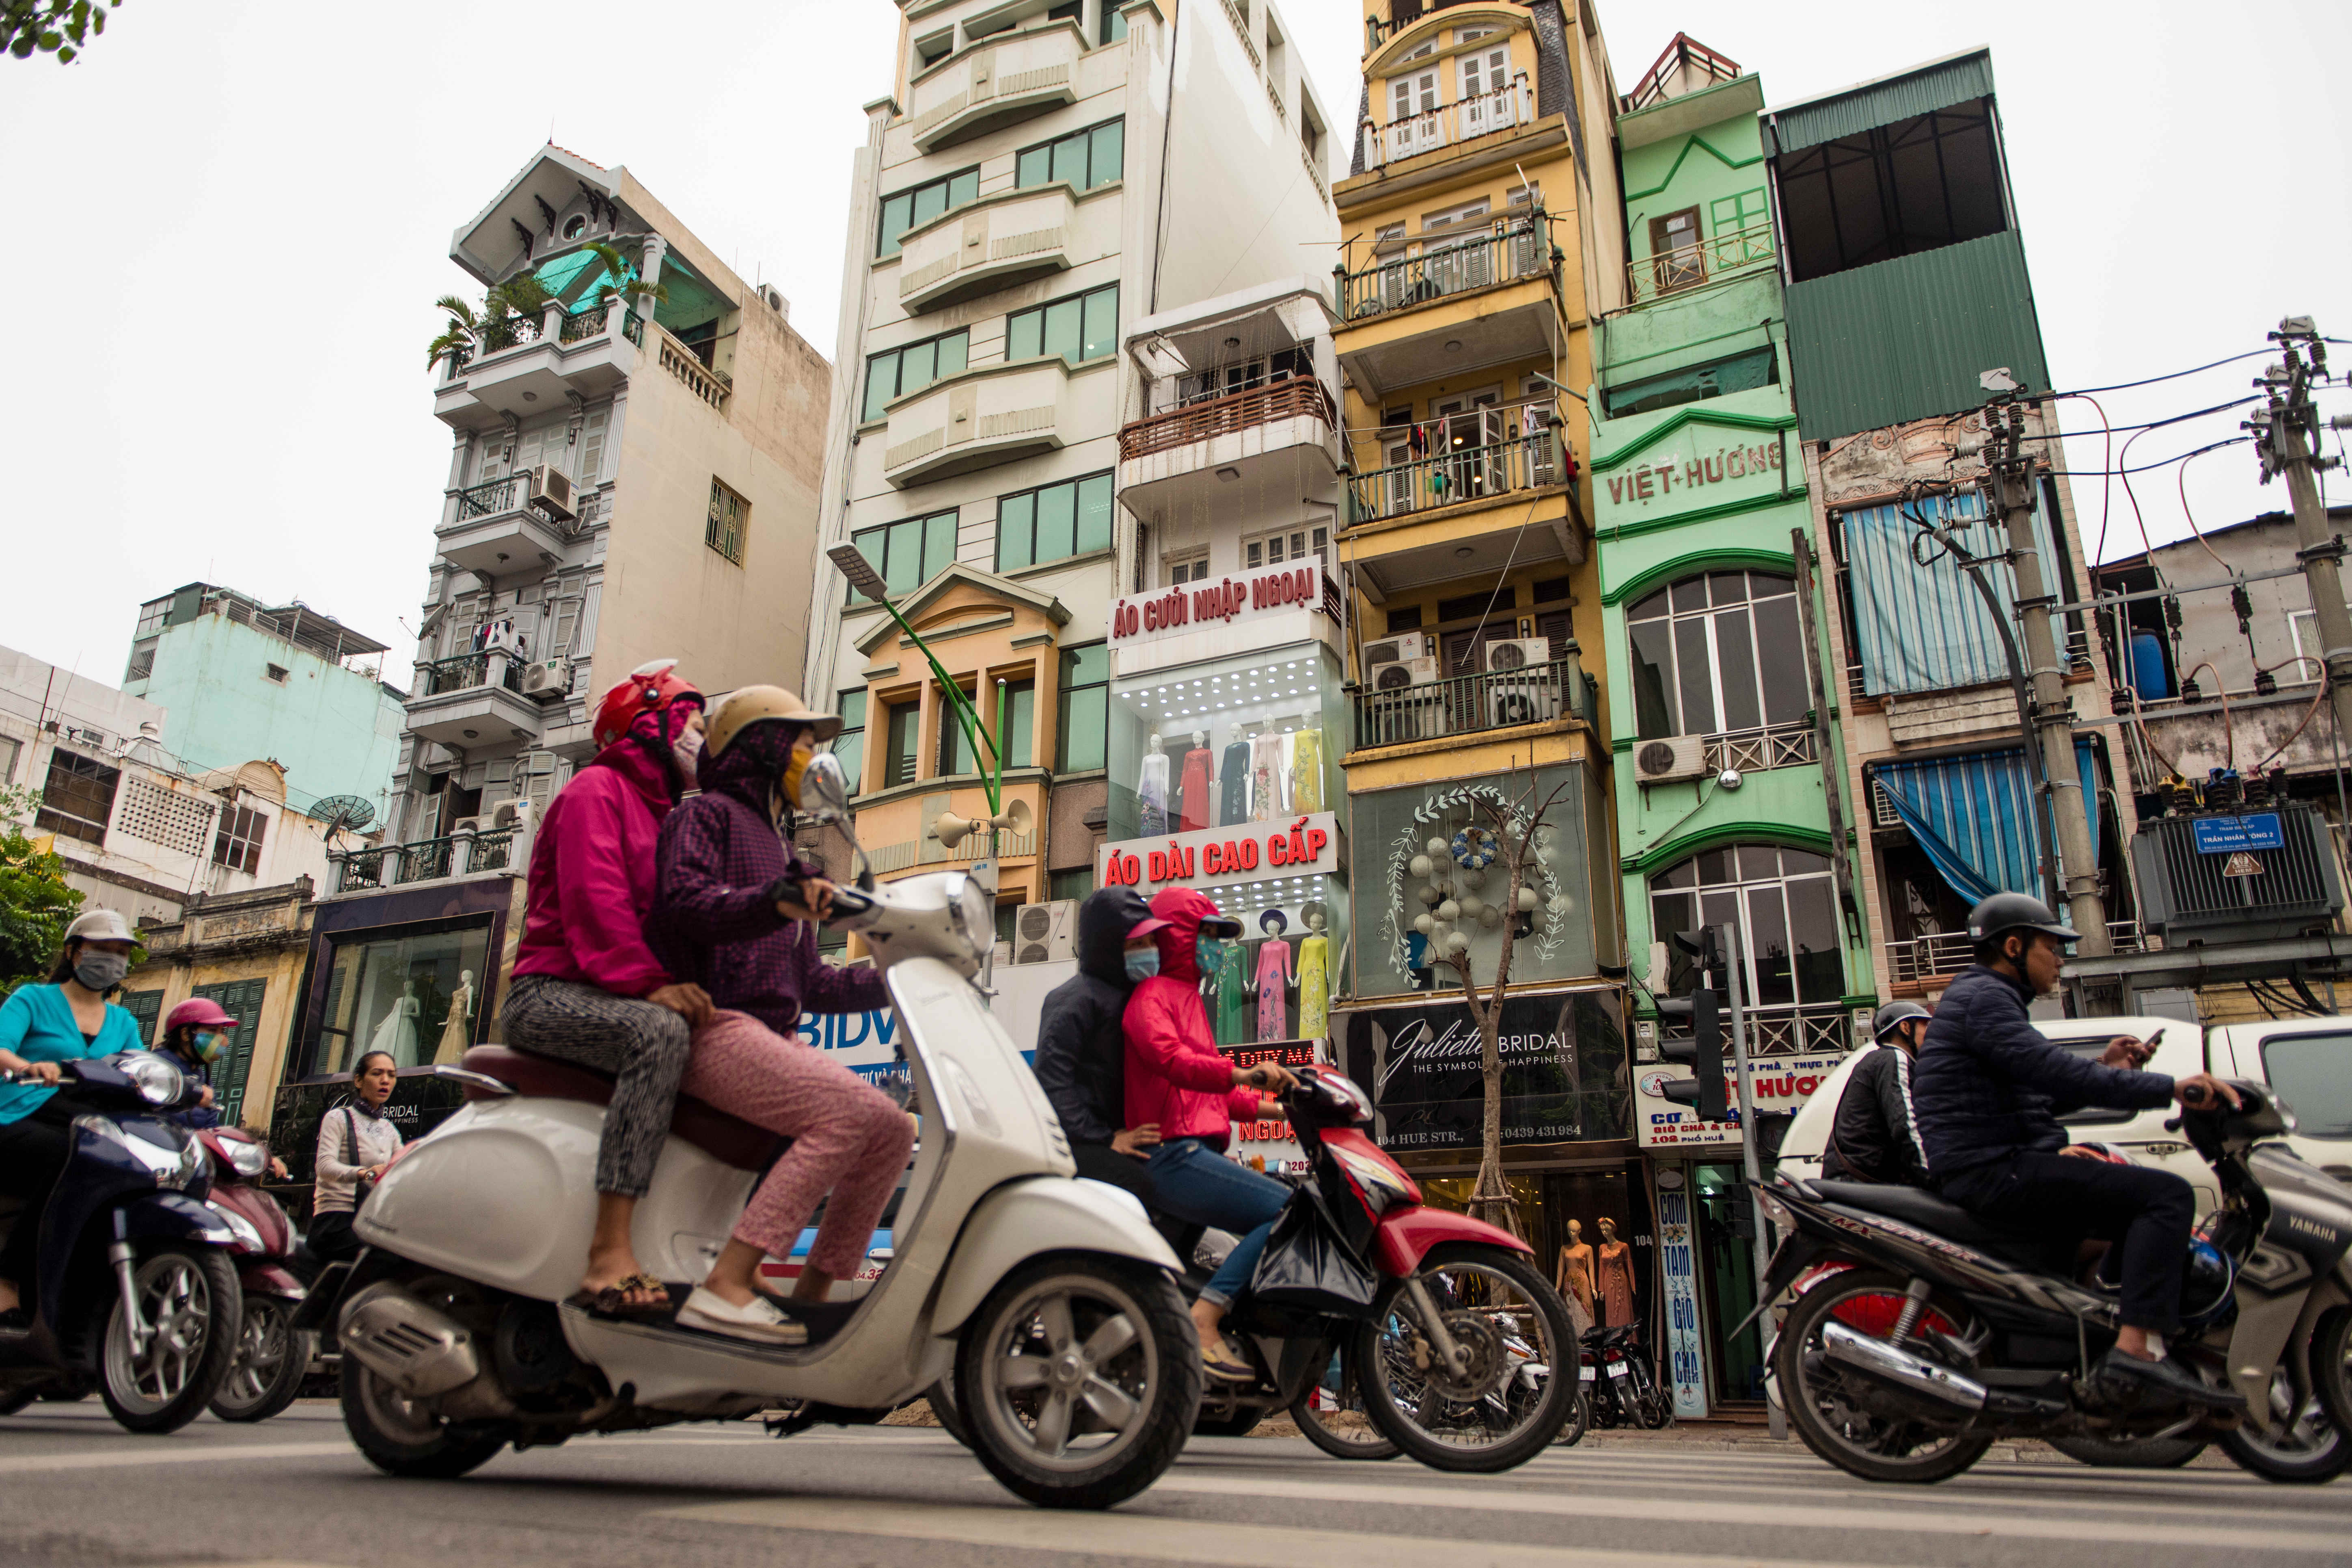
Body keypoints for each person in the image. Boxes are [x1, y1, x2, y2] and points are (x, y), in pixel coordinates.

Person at [649, 685, 915, 1346]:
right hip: (714, 1024)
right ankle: (729, 1281)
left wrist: (896, 973)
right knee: (850, 1112)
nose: (814, 761)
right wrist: (777, 900)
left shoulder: (784, 848)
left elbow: (813, 983)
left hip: (770, 1035)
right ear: (760, 745)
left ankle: (815, 1296)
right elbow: (686, 902)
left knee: (890, 1127)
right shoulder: (701, 815)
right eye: (802, 745)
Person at [1912, 892, 2243, 1408]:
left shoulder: (1987, 1000)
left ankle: (2086, 1359)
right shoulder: (1984, 1000)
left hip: (2004, 1163)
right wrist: (2173, 1087)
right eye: (2052, 946)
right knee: (2167, 1196)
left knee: (2120, 1227)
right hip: (1997, 1171)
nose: (2060, 958)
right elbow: (2056, 1071)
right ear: (2014, 946)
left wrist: (2110, 1069)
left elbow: (2041, 1095)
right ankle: (2137, 1353)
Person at [501, 658, 717, 1316]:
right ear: (651, 726)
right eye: (692, 722)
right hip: (549, 993)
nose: (701, 737)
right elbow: (596, 905)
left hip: (613, 988)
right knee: (658, 1033)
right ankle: (608, 1251)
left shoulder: (664, 816)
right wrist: (652, 987)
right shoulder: (594, 792)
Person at [1123, 888, 1296, 1381]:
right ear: (1180, 936)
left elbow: (1211, 1094)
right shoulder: (1151, 997)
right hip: (1173, 1155)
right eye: (1211, 933)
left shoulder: (1190, 1000)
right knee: (1290, 1212)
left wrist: (1285, 1111)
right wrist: (1242, 1075)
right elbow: (1175, 1064)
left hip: (1192, 1150)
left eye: (1222, 935)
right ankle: (1206, 1318)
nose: (1219, 945)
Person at [0, 910, 150, 1329]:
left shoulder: (123, 1021)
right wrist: (30, 1067)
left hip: (87, 1124)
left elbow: (139, 1070)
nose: (114, 959)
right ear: (74, 951)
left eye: (122, 952)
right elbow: (1, 1048)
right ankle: (8, 1276)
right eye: (104, 949)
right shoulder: (32, 998)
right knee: (76, 1154)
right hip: (19, 1115)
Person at [1031, 886, 1172, 1207]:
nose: (1149, 951)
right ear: (1108, 947)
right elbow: (1052, 1081)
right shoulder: (1075, 999)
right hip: (1078, 1145)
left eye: (1152, 942)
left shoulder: (1135, 997)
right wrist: (1105, 1138)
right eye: (1137, 944)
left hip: (1114, 1137)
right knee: (1149, 1190)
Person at [153, 997, 288, 1174]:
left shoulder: (202, 1077)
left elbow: (211, 1131)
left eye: (222, 1032)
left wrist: (262, 1156)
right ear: (186, 1034)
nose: (221, 1039)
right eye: (212, 1031)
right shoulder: (156, 1068)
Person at [1819, 1001, 1931, 1186]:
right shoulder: (1895, 1058)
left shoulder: (1878, 1060)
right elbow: (1906, 1124)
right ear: (1905, 1027)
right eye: (1924, 1026)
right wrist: (1931, 1175)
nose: (1929, 1034)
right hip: (1862, 1185)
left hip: (1854, 1181)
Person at [307, 1051, 404, 1263]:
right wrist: (365, 1173)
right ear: (359, 1081)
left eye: (391, 1075)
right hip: (336, 1221)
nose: (385, 1080)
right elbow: (324, 1165)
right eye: (377, 1074)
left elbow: (405, 1169)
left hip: (370, 1220)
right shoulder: (338, 1118)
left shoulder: (390, 1130)